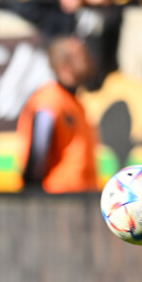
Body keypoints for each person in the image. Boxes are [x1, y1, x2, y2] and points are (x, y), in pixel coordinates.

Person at [17, 36, 98, 193]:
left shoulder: (74, 101)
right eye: (81, 55)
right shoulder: (50, 99)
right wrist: (33, 197)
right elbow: (38, 153)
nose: (88, 59)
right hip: (57, 200)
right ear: (65, 66)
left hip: (79, 199)